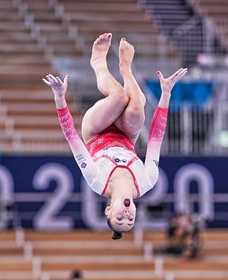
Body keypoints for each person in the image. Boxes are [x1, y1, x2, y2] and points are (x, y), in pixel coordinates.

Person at [43, 33, 187, 239]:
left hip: (96, 132)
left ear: (108, 210)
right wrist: (166, 94)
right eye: (131, 220)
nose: (127, 216)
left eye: (120, 219)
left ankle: (98, 62)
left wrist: (59, 99)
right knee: (137, 104)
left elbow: (72, 138)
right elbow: (156, 138)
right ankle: (125, 67)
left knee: (119, 96)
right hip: (126, 136)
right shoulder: (147, 181)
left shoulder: (97, 180)